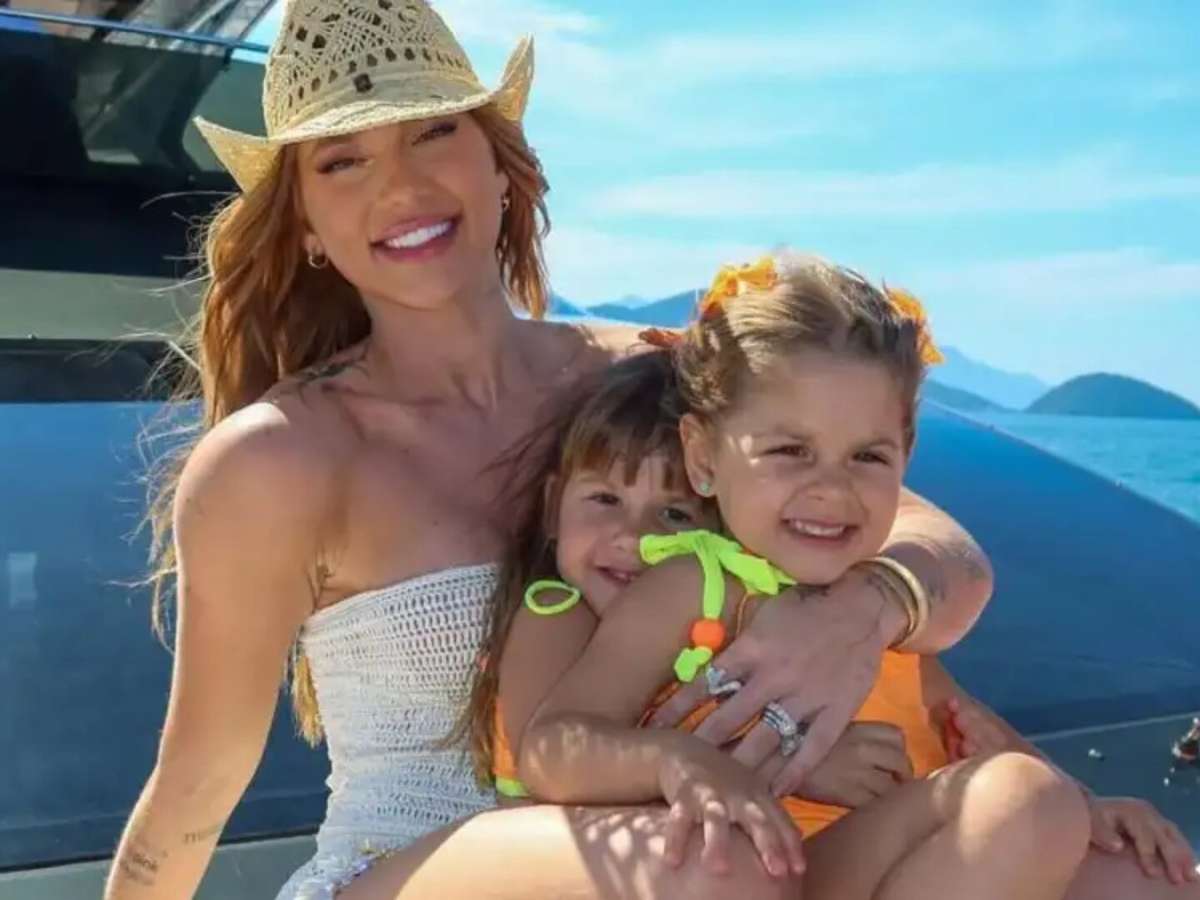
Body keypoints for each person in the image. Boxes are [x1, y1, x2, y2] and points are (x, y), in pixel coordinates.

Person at [104, 3, 995, 898]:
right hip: (410, 870)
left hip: (710, 851)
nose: (401, 186)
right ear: (304, 224)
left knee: (1051, 834)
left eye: (433, 132)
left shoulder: (649, 379)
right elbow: (198, 786)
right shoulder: (278, 458)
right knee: (705, 858)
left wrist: (864, 611)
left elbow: (946, 559)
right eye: (342, 161)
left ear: (502, 165)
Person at [510, 253, 1091, 899]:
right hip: (760, 867)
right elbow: (551, 749)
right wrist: (691, 763)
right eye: (791, 451)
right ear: (704, 457)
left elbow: (960, 717)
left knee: (1080, 832)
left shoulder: (873, 604)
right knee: (1027, 801)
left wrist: (1091, 807)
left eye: (867, 456)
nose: (831, 489)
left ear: (906, 459)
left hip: (861, 861)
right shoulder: (691, 588)